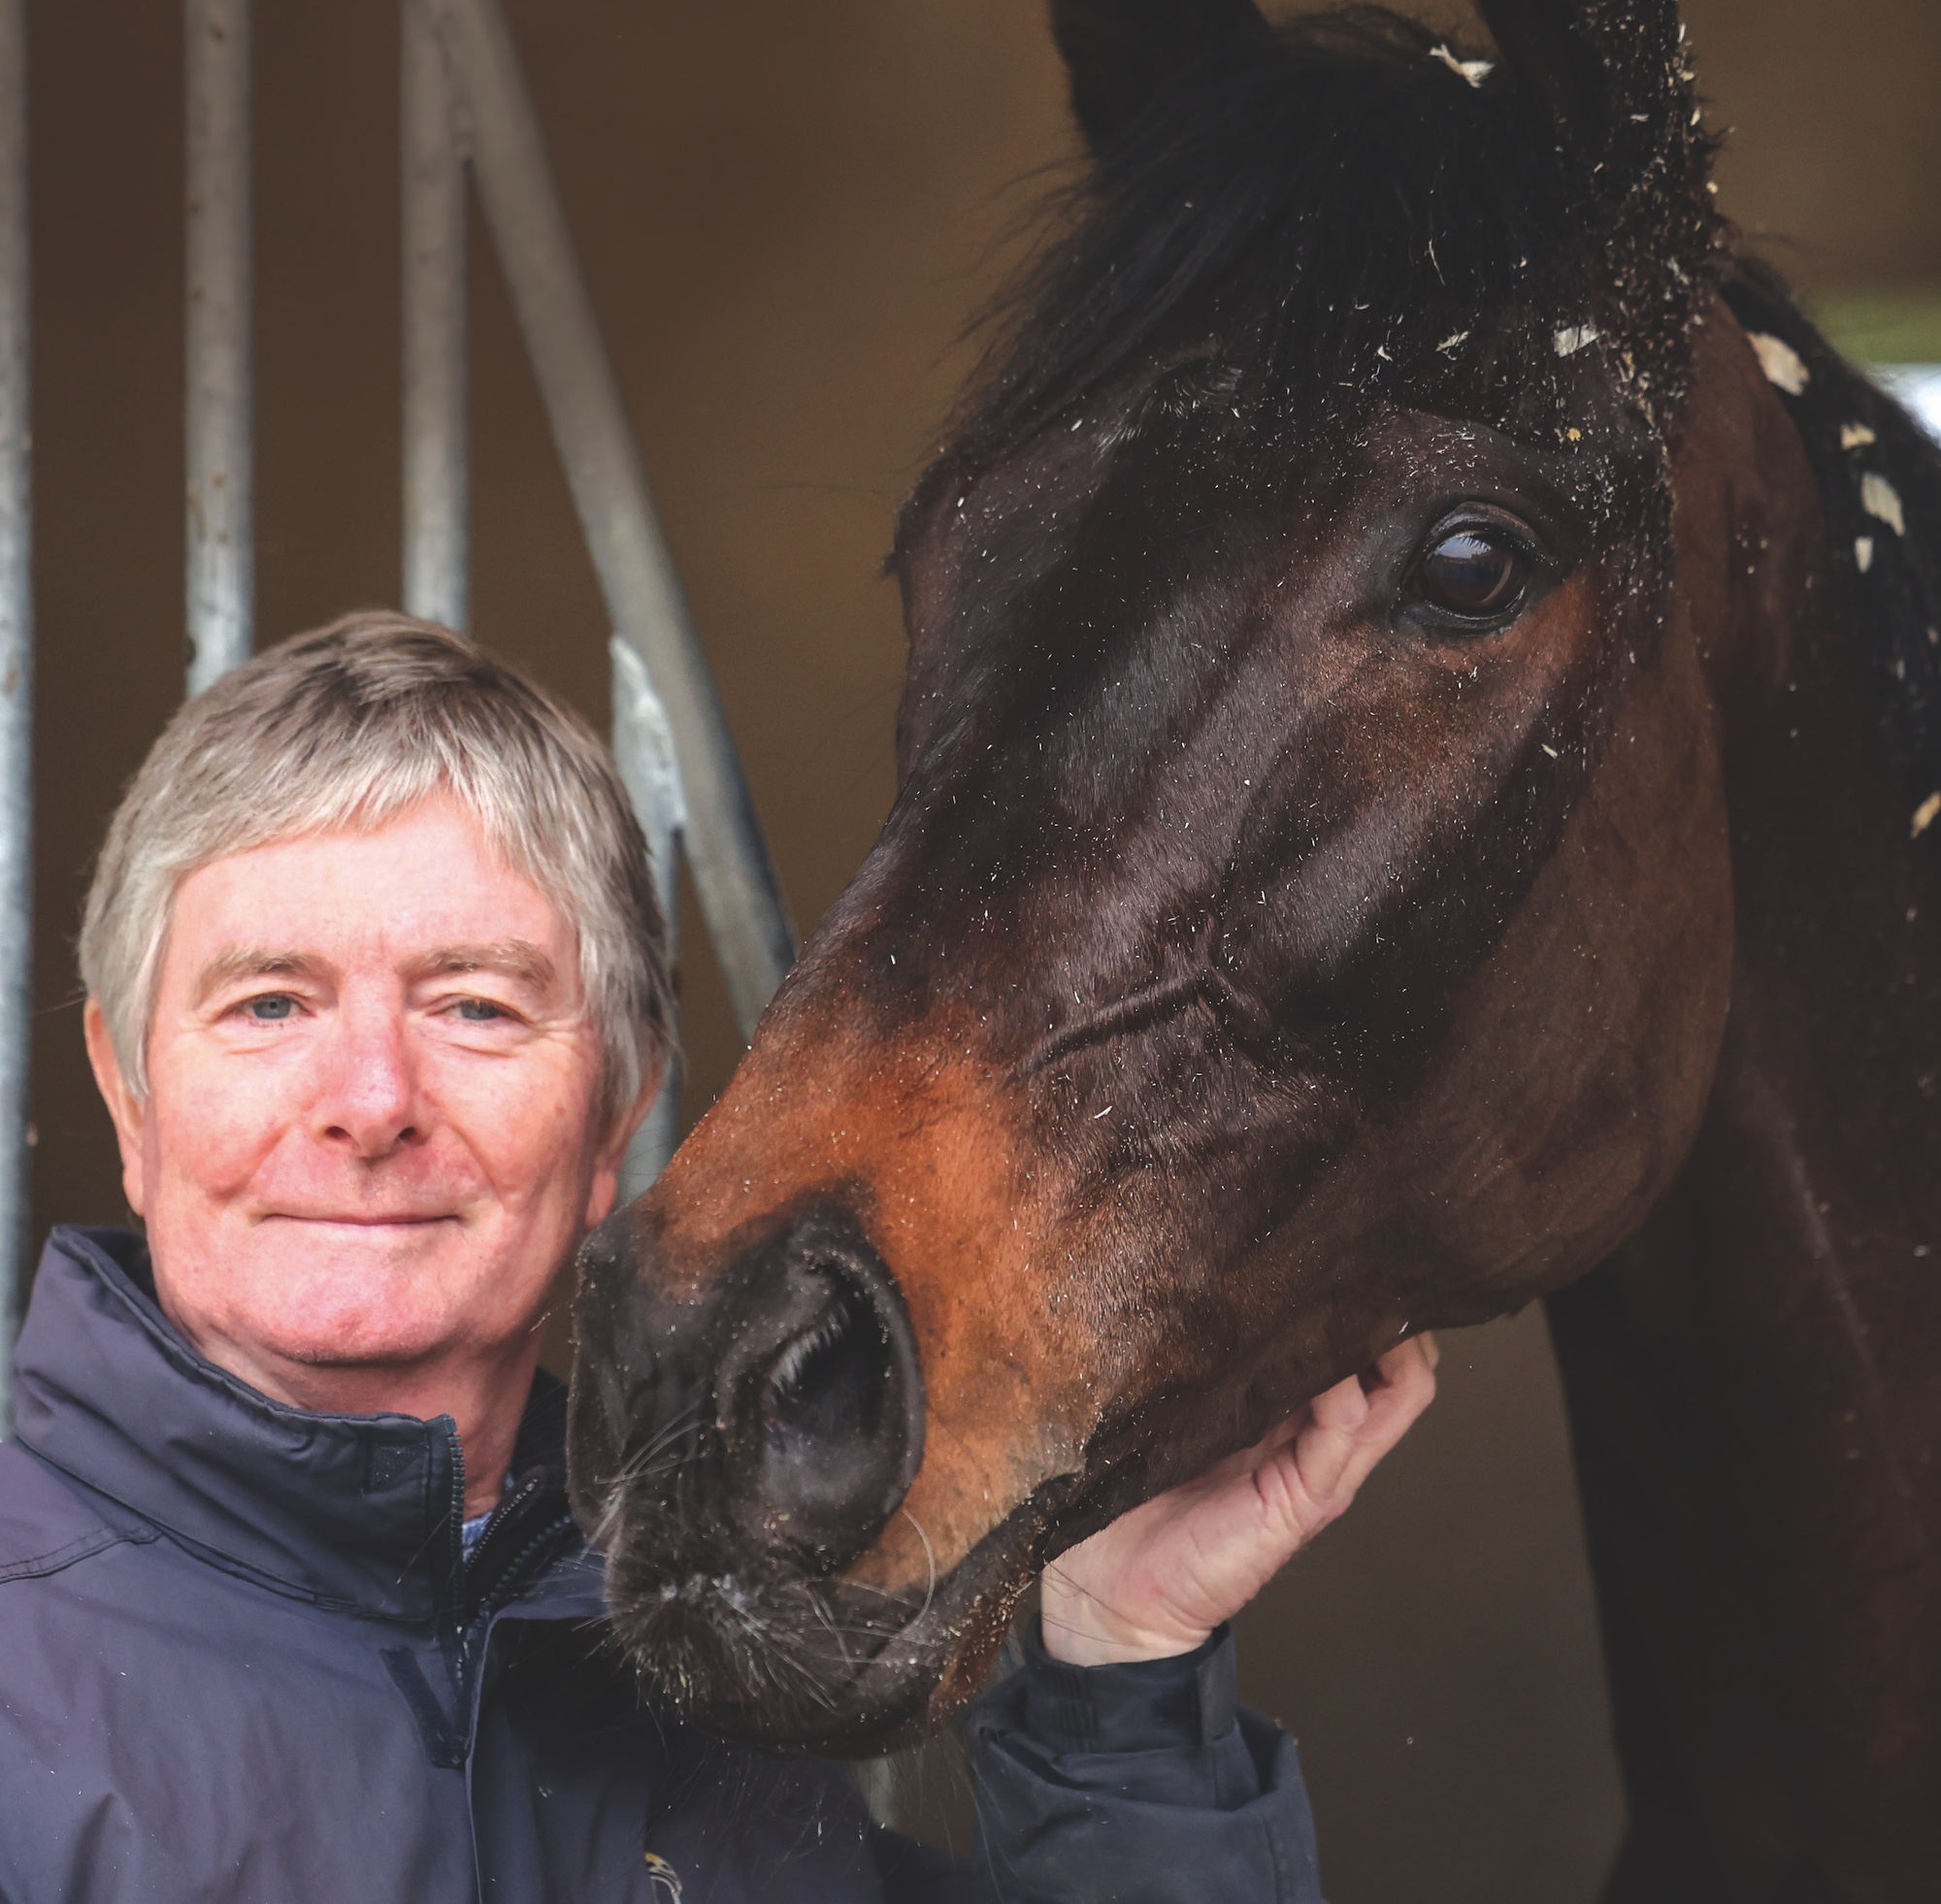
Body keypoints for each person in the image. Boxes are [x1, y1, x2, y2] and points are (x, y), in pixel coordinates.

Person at [0, 612, 1435, 1902]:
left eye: (480, 1008)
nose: (372, 1098)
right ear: (128, 1095)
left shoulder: (704, 1659)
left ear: (617, 1104)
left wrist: (1123, 1658)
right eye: (266, 1005)